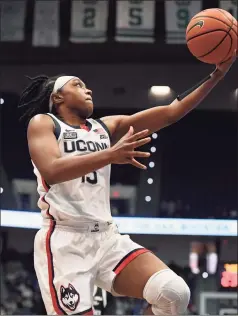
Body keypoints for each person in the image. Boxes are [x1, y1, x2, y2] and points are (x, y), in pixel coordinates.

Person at [18, 51, 236, 315]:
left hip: (107, 237)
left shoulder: (104, 127)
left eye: (87, 86)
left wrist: (218, 74)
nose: (87, 90)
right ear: (57, 97)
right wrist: (110, 154)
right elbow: (51, 170)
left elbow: (170, 112)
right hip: (65, 240)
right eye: (77, 84)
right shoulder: (44, 122)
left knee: (173, 293)